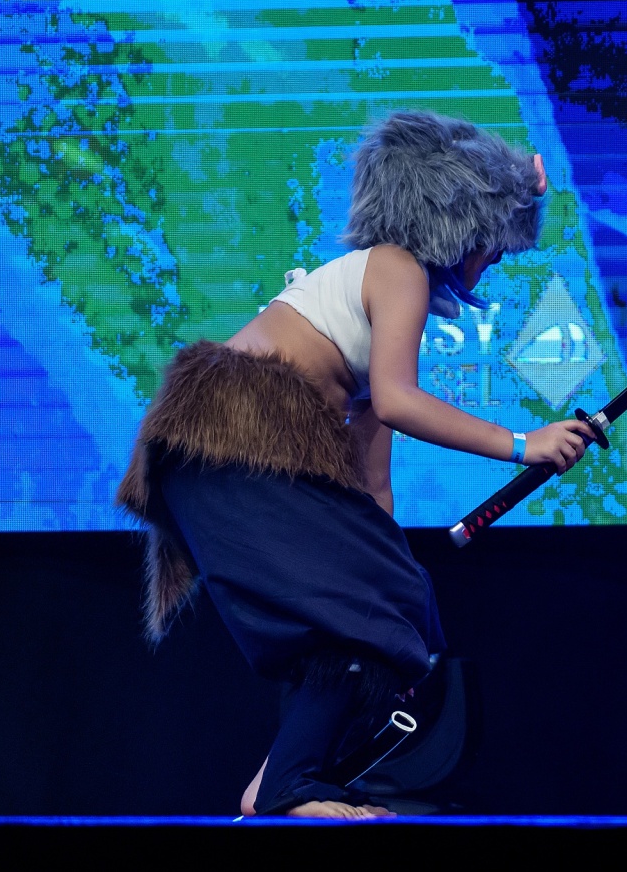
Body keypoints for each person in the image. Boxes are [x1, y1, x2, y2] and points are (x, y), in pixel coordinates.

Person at [118, 110, 601, 818]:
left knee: (384, 600)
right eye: (496, 238)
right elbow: (401, 401)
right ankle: (289, 785)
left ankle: (276, 778)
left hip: (217, 455)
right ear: (460, 219)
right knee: (371, 608)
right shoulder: (399, 268)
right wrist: (524, 444)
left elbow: (371, 481)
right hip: (226, 439)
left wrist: (387, 569)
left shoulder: (386, 296)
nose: (498, 256)